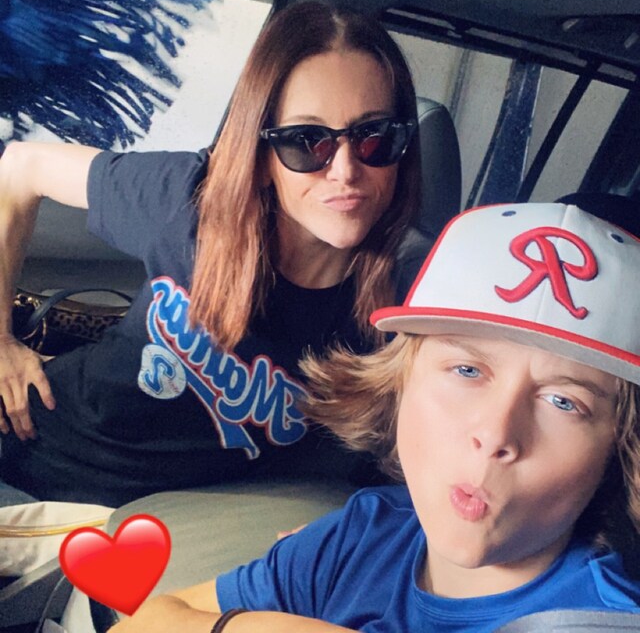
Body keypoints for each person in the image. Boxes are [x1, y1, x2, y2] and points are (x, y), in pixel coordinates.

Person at [109, 201, 640, 632]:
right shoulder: (366, 534)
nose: (495, 432)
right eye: (466, 370)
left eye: (564, 402)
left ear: (616, 453)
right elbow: (150, 620)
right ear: (399, 382)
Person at [0, 1, 424, 507]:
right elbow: (20, 169)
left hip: (159, 524)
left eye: (375, 137)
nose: (346, 170)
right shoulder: (188, 201)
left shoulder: (411, 299)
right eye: (306, 141)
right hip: (29, 446)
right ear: (262, 155)